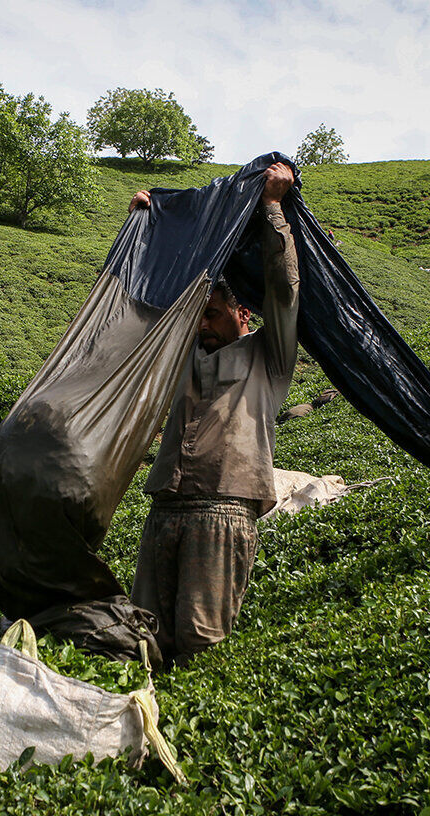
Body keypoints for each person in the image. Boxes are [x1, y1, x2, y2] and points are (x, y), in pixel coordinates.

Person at [127, 162, 300, 665]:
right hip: (165, 509)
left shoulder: (268, 358)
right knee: (144, 639)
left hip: (222, 510)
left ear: (242, 313)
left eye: (213, 313)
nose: (202, 324)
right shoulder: (180, 357)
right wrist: (145, 230)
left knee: (201, 641)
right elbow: (144, 305)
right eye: (197, 314)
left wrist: (272, 210)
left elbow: (285, 291)